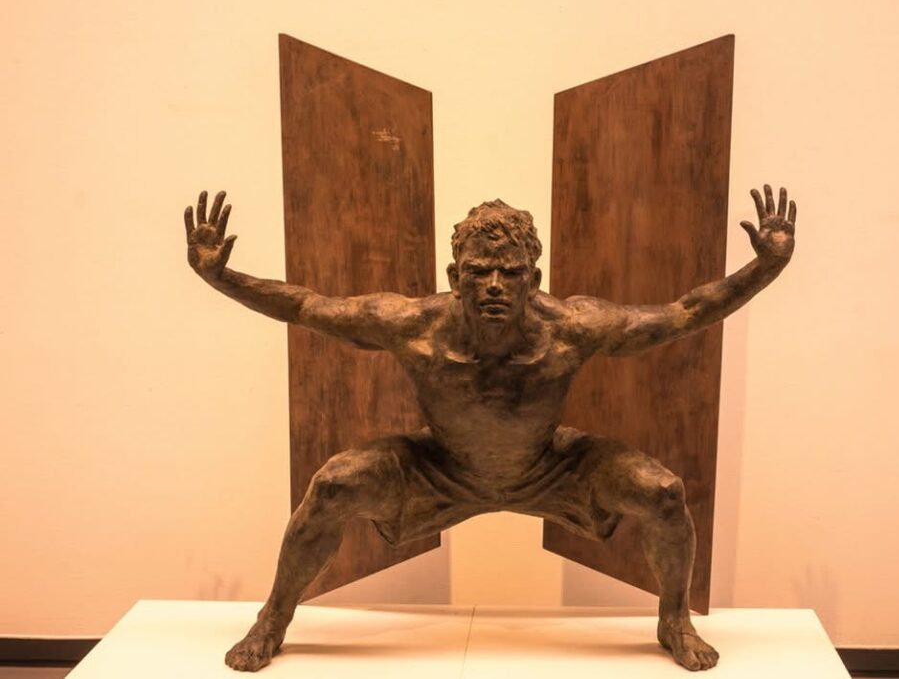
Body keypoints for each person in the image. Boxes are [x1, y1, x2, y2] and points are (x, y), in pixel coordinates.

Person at [182, 185, 796, 672]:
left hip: (549, 468)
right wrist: (221, 277)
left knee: (661, 493)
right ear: (455, 277)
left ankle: (674, 620)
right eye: (479, 272)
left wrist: (763, 268)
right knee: (335, 485)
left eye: (510, 272)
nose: (495, 286)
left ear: (534, 277)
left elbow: (682, 314)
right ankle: (273, 619)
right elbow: (308, 306)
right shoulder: (411, 325)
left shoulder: (571, 328)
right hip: (440, 470)